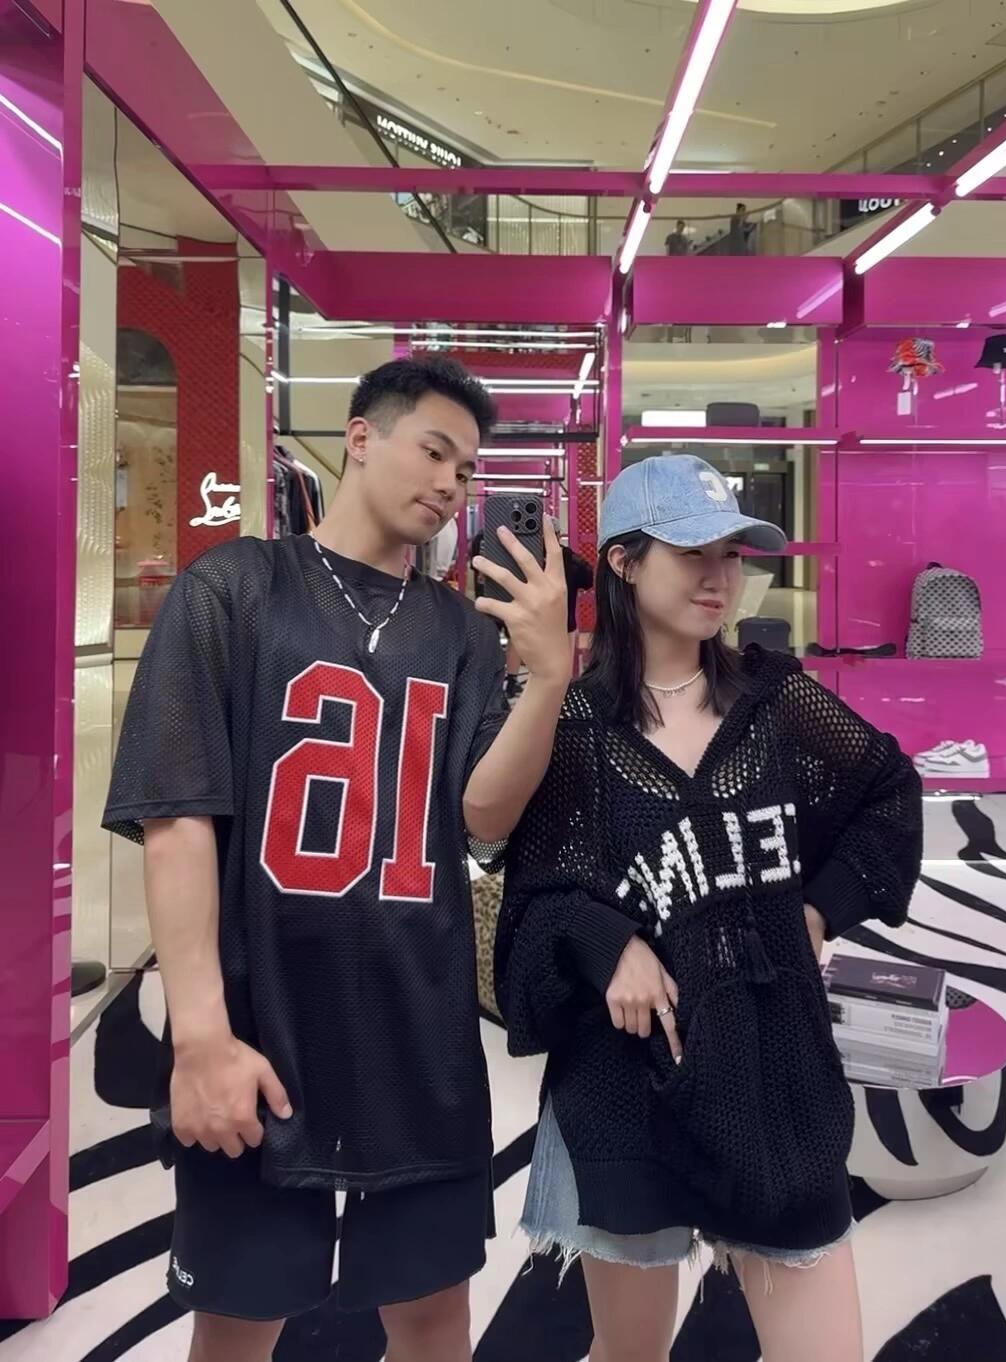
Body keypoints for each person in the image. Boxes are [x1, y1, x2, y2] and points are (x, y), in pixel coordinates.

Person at [103, 356, 572, 1362]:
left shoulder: (457, 631)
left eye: (466, 469)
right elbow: (178, 820)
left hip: (419, 1033)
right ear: (360, 438)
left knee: (433, 1319)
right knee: (239, 1320)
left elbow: (481, 815)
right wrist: (201, 1037)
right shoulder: (234, 589)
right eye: (433, 451)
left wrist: (545, 679)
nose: (449, 483)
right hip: (262, 1021)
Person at [495, 454, 922, 1362]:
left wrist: (820, 911)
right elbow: (528, 902)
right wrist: (607, 940)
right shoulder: (573, 727)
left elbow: (888, 792)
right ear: (623, 562)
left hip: (775, 1073)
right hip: (623, 1089)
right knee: (631, 1353)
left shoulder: (775, 703)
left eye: (732, 553)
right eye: (693, 552)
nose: (719, 576)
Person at [505, 519, 593, 698]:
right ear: (558, 536)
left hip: (533, 621)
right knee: (562, 667)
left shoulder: (528, 558)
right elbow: (587, 580)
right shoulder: (571, 560)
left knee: (535, 666)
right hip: (563, 623)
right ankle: (560, 696)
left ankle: (516, 684)